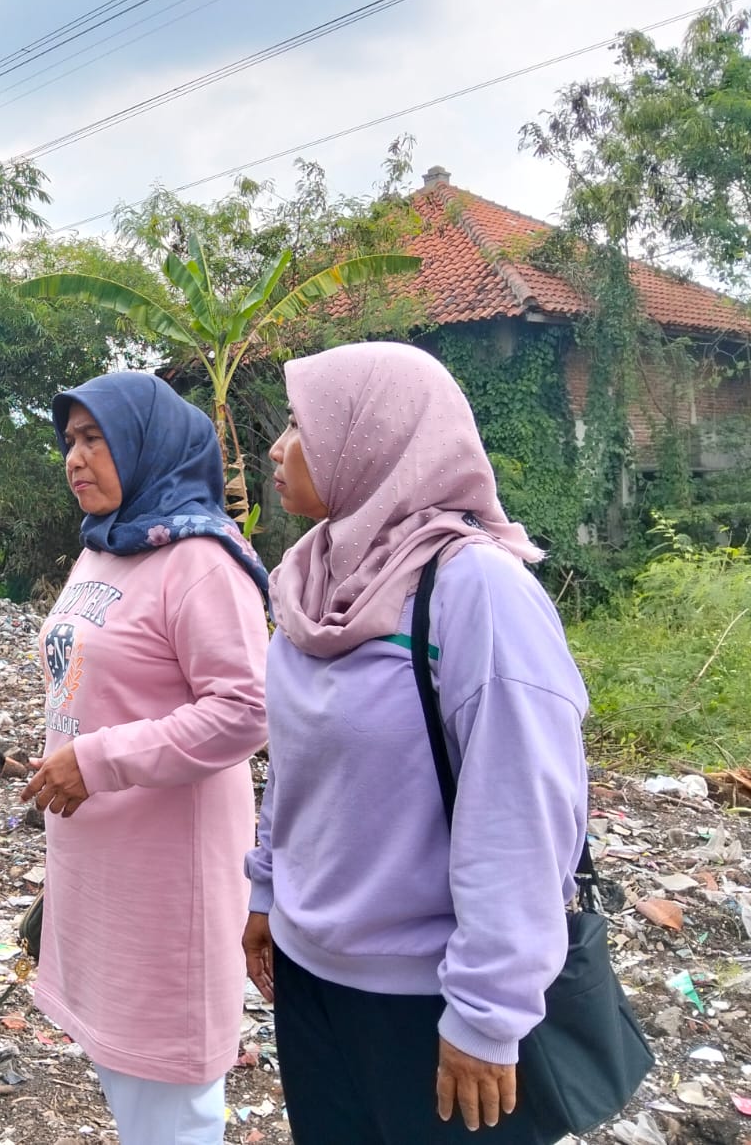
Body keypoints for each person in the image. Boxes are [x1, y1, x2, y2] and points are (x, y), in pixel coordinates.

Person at [242, 341, 589, 1143]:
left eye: (298, 424)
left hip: (430, 998)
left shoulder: (478, 592)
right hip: (310, 980)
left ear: (371, 439)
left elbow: (521, 812)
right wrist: (266, 890)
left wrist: (487, 1012)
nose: (277, 446)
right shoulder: (308, 583)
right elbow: (296, 767)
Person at [21, 371, 271, 1144]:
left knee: (170, 1099)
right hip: (99, 868)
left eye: (95, 439)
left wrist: (96, 761)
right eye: (70, 441)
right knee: (124, 1079)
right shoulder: (105, 548)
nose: (76, 458)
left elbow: (247, 709)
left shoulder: (198, 561)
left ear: (146, 444)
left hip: (167, 874)